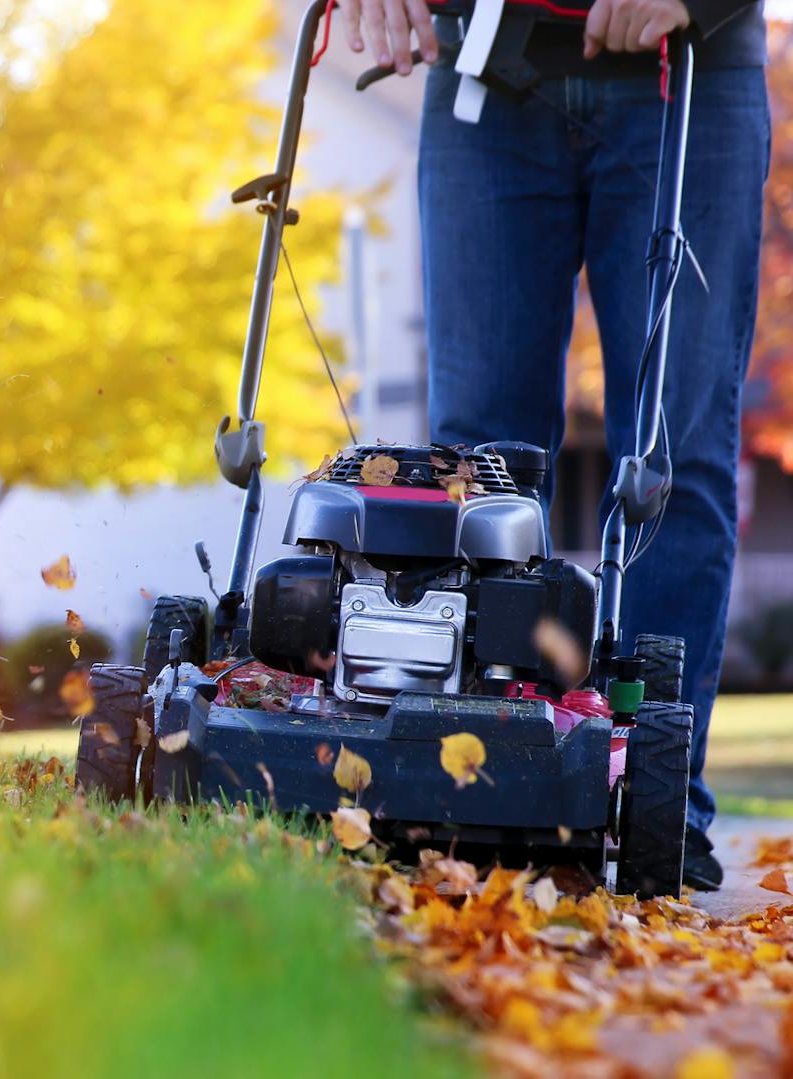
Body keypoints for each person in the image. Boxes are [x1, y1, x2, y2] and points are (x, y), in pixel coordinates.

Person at [335, 0, 769, 889]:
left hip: (686, 70)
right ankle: (476, 783)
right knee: (477, 471)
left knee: (668, 458)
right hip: (489, 78)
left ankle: (658, 796)